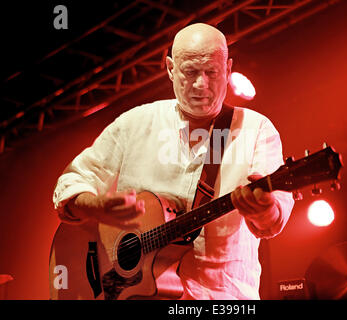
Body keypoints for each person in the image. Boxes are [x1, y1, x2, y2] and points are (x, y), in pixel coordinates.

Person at [53, 23, 294, 300]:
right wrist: (96, 207)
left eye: (212, 72)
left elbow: (273, 221)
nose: (201, 84)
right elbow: (71, 182)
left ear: (228, 69)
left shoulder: (256, 129)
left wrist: (263, 210)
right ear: (169, 68)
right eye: (190, 72)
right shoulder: (135, 124)